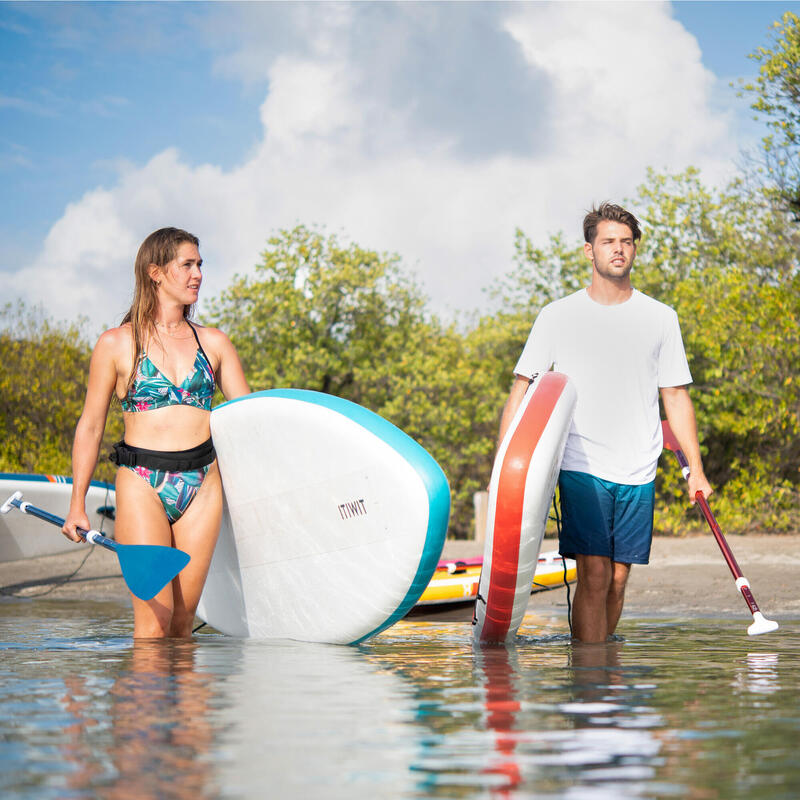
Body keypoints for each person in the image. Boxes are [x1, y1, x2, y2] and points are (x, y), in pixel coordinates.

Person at [497, 202, 712, 643]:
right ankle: (593, 690)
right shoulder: (558, 316)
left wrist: (698, 470)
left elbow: (675, 394)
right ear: (588, 251)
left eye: (626, 242)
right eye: (608, 241)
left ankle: (597, 674)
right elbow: (522, 388)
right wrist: (505, 466)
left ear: (635, 250)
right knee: (593, 576)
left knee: (617, 580)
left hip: (638, 466)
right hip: (581, 462)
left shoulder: (660, 317)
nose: (619, 249)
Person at [63, 228, 250, 638]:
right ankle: (143, 703)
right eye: (187, 264)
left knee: (183, 624)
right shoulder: (116, 343)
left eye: (200, 264)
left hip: (202, 484)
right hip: (141, 482)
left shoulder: (215, 343)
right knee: (154, 622)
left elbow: (248, 422)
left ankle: (185, 705)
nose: (197, 273)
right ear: (156, 272)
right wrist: (77, 503)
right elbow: (91, 425)